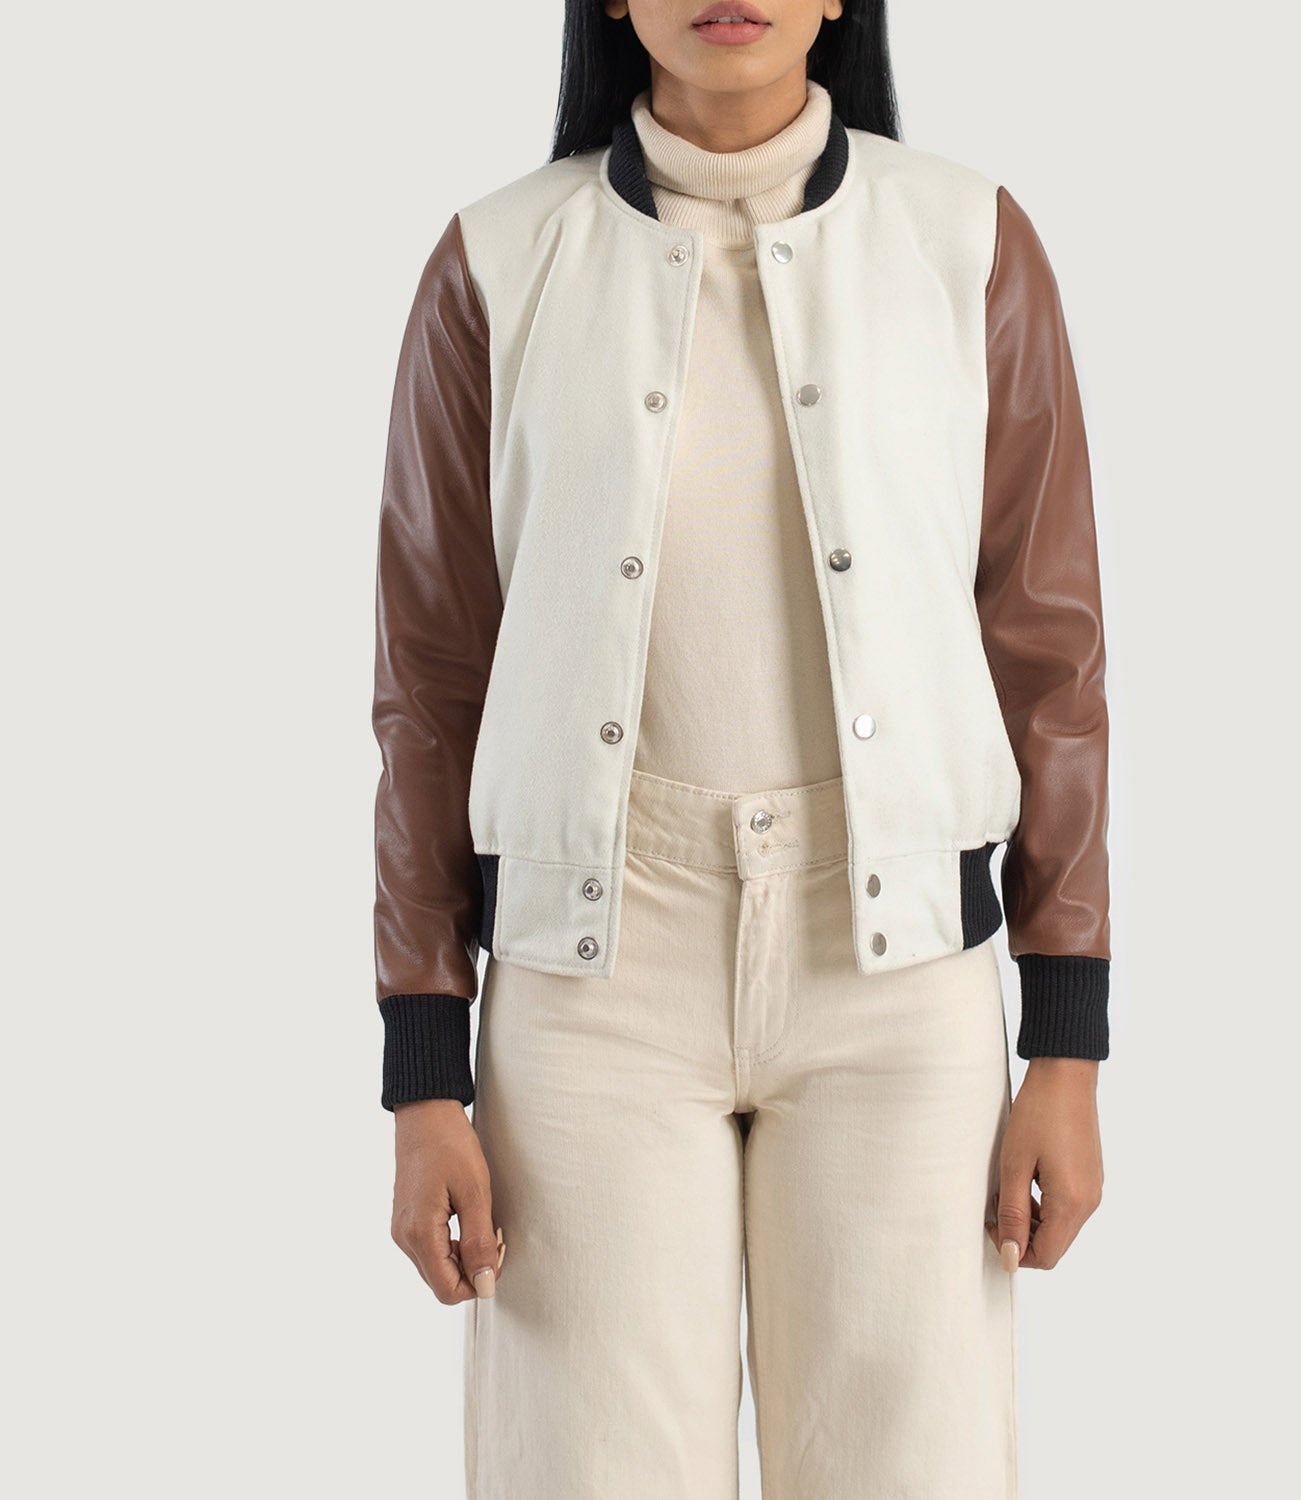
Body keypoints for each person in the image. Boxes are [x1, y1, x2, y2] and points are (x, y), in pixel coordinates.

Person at [371, 2, 1111, 1494]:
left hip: (900, 977)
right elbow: (431, 686)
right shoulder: (497, 265)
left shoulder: (968, 244)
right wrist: (422, 1072)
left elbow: (1050, 655)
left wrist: (1067, 1046)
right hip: (592, 982)